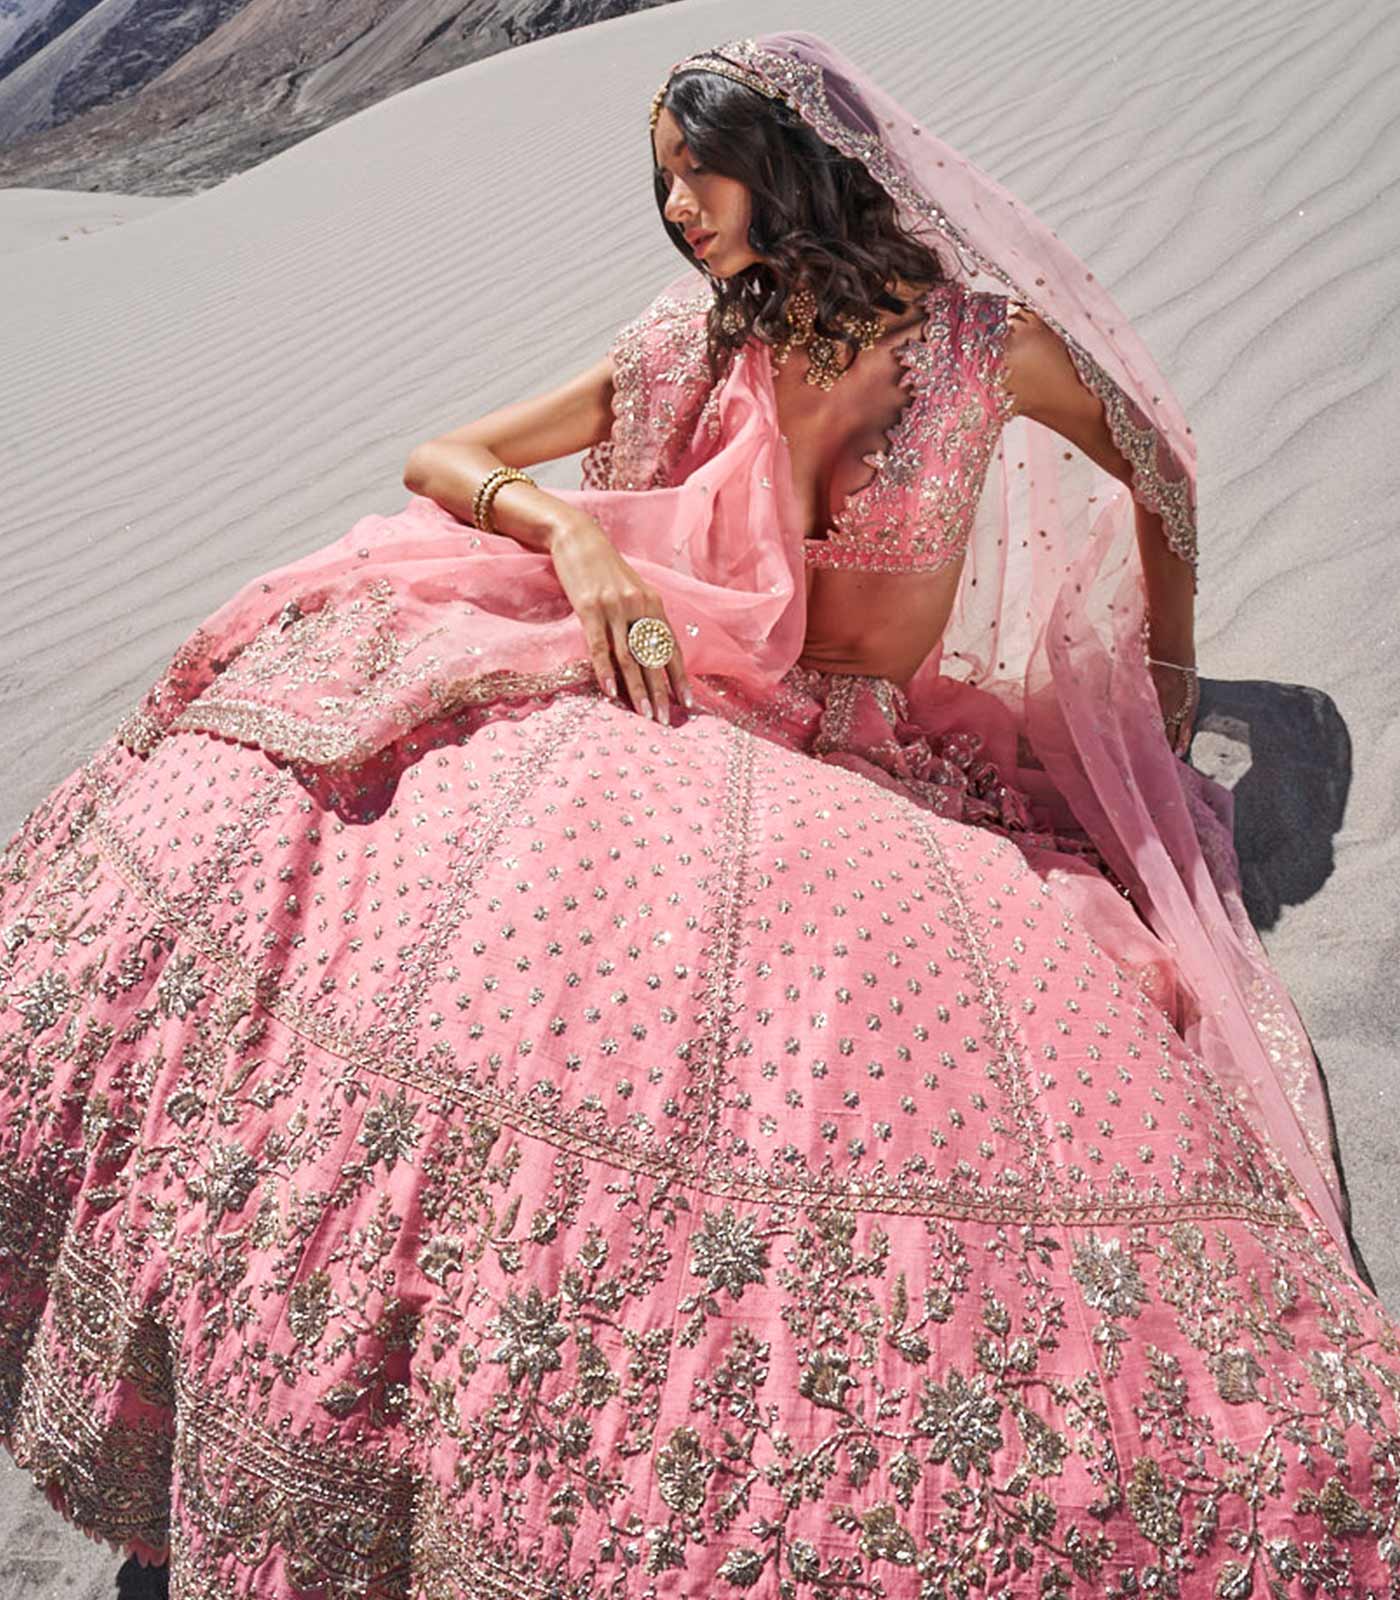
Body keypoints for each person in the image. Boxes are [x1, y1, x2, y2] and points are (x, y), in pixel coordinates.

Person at [0, 28, 1394, 1599]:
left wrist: (1164, 679)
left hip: (887, 771)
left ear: (788, 167)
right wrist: (576, 543)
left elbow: (1155, 462)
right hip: (714, 711)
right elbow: (444, 457)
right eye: (660, 179)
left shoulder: (973, 345)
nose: (675, 207)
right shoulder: (694, 340)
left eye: (699, 172)